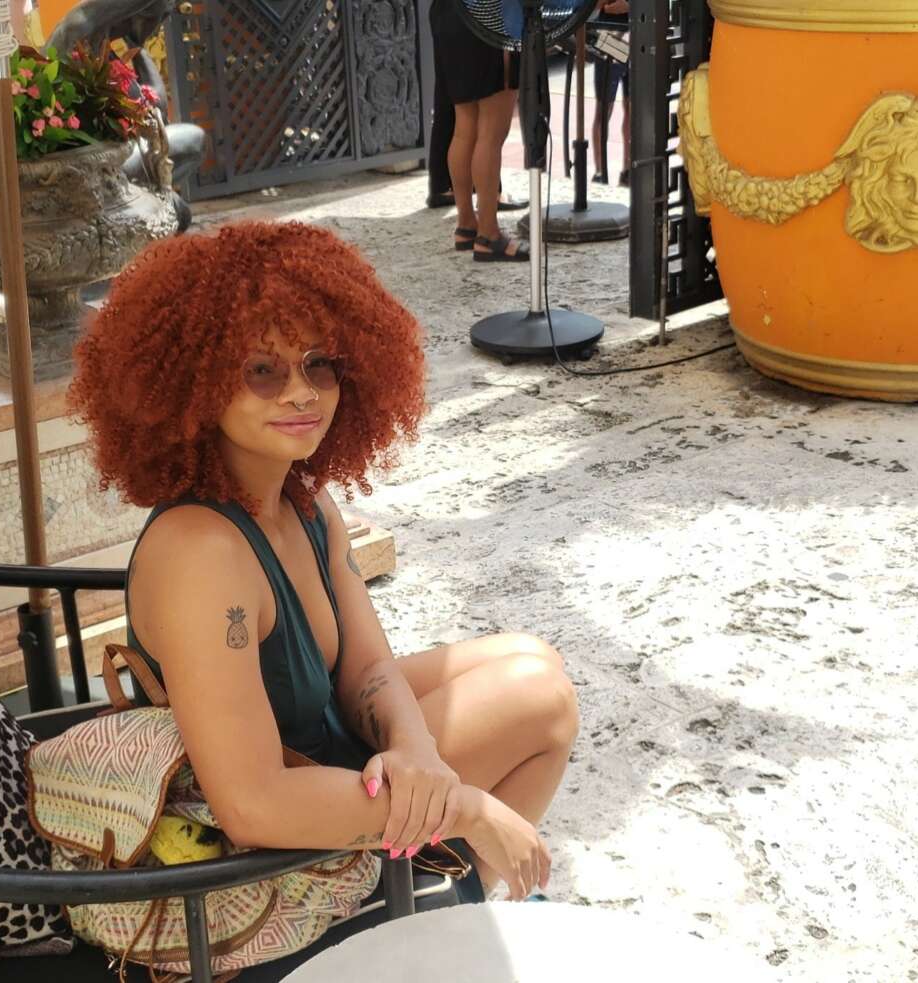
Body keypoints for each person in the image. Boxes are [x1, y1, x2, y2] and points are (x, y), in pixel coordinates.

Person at [69, 222, 579, 899]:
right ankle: (431, 907)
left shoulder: (303, 500)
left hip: (338, 761)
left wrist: (417, 753)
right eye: (262, 370)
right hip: (276, 847)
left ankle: (450, 901)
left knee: (531, 657)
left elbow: (367, 670)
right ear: (195, 384)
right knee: (541, 698)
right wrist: (468, 809)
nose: (301, 392)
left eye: (319, 364)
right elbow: (251, 806)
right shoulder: (201, 552)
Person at [429, 0, 528, 261]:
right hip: (489, 19)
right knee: (491, 135)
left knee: (465, 128)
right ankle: (489, 235)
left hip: (449, 14)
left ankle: (466, 225)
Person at [591, 0, 631, 186]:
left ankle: (628, 170)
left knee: (632, 109)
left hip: (637, 35)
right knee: (604, 109)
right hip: (609, 37)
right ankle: (600, 171)